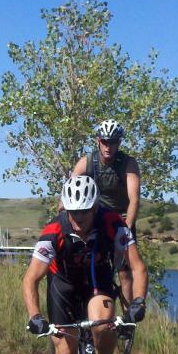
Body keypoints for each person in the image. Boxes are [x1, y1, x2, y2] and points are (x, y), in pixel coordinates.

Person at [21, 175, 148, 354]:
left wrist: (139, 301)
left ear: (95, 208)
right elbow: (30, 280)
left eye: (84, 212)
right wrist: (35, 316)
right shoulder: (54, 232)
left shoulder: (113, 223)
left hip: (96, 280)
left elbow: (137, 267)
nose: (78, 218)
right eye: (72, 212)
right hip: (63, 288)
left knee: (104, 322)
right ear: (66, 209)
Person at [72, 119, 141, 309]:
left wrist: (126, 230)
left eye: (113, 142)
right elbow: (69, 190)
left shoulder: (128, 163)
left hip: (122, 220)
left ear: (119, 143)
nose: (108, 146)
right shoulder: (87, 161)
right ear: (98, 141)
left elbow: (134, 199)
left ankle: (129, 317)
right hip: (97, 219)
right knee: (89, 263)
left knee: (125, 271)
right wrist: (64, 216)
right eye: (105, 141)